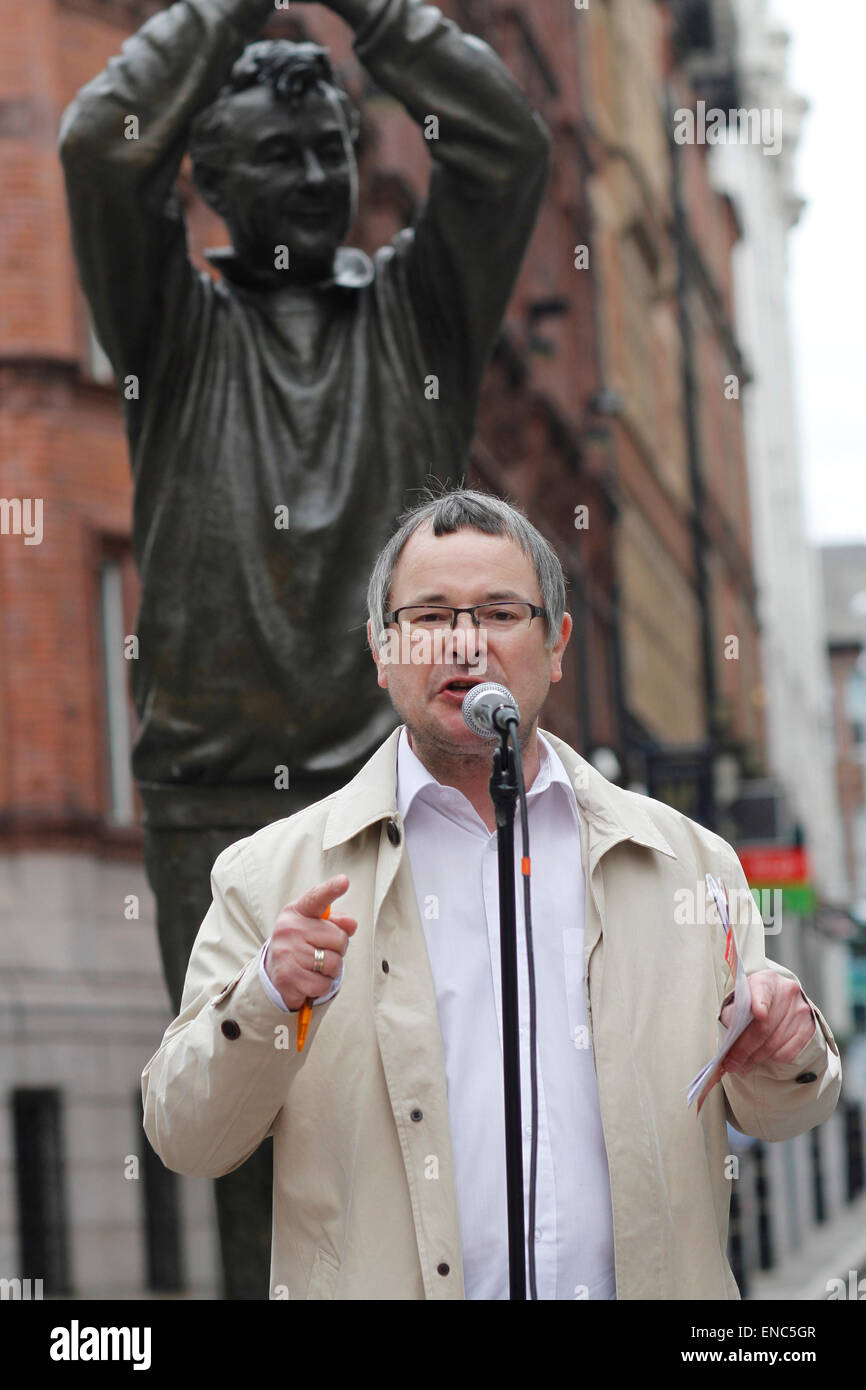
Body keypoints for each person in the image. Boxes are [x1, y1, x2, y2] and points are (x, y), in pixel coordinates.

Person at [58, 0, 550, 1295]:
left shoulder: (420, 311)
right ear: (210, 180)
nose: (320, 179)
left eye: (333, 149)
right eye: (280, 156)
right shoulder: (168, 327)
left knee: (439, 1113)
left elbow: (504, 147)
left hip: (414, 782)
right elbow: (99, 149)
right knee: (249, 1133)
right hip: (216, 804)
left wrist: (382, 18)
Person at [141, 489, 842, 1300]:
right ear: (381, 647)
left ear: (557, 645)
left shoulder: (687, 863)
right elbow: (187, 1140)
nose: (465, 643)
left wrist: (790, 1049)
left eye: (500, 612)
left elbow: (781, 1115)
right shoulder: (273, 874)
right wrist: (266, 997)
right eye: (430, 616)